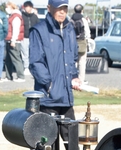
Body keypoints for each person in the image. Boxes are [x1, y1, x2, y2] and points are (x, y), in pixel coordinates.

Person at [29, 0, 81, 141]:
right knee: (49, 146)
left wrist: (74, 77)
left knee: (72, 143)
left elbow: (72, 58)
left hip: (66, 99)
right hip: (47, 99)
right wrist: (49, 85)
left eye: (65, 8)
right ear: (49, 8)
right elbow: (35, 63)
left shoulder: (70, 29)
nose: (62, 12)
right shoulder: (39, 30)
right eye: (59, 8)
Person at [4, 1, 25, 82]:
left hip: (14, 41)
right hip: (10, 40)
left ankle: (21, 76)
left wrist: (13, 40)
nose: (6, 8)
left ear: (11, 7)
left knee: (16, 59)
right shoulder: (12, 16)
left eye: (7, 7)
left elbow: (16, 30)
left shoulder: (16, 17)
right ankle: (8, 76)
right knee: (8, 60)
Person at [70, 4, 89, 84]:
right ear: (82, 10)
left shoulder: (70, 20)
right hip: (82, 42)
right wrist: (87, 39)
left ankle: (73, 78)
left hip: (72, 42)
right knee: (82, 62)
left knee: (73, 61)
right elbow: (87, 32)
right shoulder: (83, 20)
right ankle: (81, 79)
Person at [21, 1, 39, 75]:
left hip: (33, 38)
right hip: (24, 37)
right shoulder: (21, 16)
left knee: (33, 53)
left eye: (29, 7)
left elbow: (38, 26)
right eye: (26, 7)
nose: (27, 8)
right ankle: (26, 67)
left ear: (31, 7)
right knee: (25, 53)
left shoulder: (35, 16)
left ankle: (32, 67)